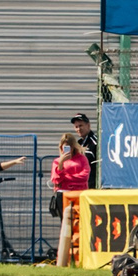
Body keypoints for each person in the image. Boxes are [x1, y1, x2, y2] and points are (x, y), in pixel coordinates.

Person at [50, 133, 92, 265]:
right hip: (63, 195)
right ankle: (66, 257)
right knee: (66, 225)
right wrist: (61, 164)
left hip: (79, 194)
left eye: (69, 147)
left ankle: (81, 256)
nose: (66, 150)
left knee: (81, 225)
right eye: (64, 147)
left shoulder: (82, 159)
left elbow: (84, 176)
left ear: (73, 147)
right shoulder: (57, 161)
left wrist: (67, 178)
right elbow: (56, 180)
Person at [69, 113, 99, 186]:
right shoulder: (78, 143)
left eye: (81, 126)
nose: (78, 129)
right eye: (76, 127)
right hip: (80, 185)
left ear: (88, 125)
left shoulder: (96, 142)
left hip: (93, 186)